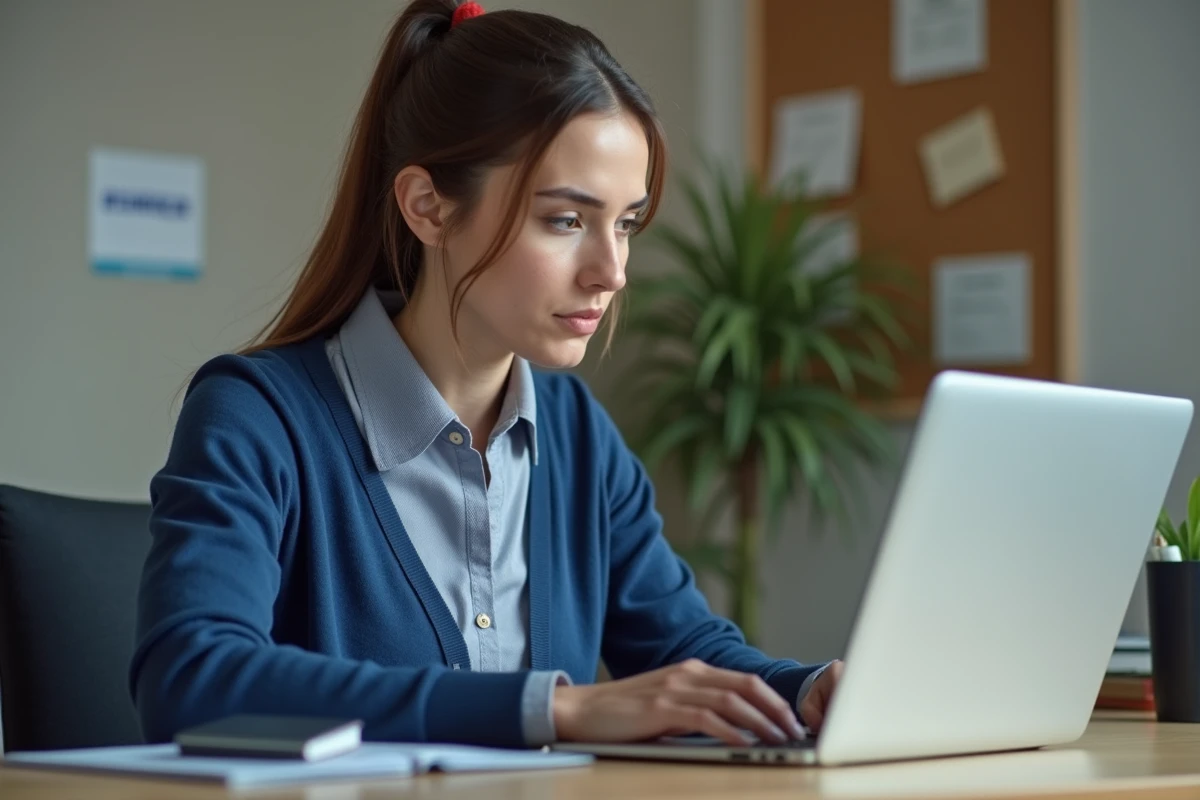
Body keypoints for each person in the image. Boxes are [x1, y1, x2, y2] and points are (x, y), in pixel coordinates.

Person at [130, 0, 842, 750]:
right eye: (566, 220)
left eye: (625, 223)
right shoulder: (257, 416)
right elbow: (192, 680)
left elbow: (685, 654)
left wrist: (810, 690)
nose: (612, 272)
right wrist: (555, 710)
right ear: (429, 208)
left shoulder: (576, 436)